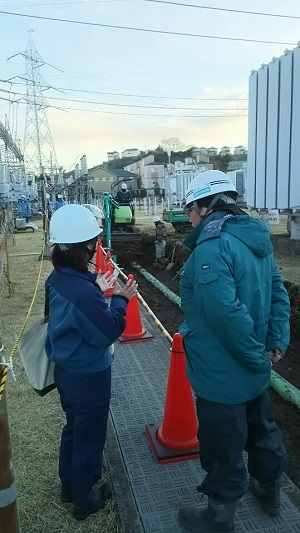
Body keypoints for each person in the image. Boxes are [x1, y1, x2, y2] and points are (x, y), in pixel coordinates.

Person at [177, 170, 290, 533]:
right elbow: (276, 292)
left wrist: (256, 354)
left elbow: (223, 313)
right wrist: (275, 342)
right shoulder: (256, 238)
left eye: (190, 210)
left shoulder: (212, 246)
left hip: (223, 369)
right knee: (261, 429)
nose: (189, 218)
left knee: (223, 443)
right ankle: (269, 491)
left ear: (203, 206)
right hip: (255, 364)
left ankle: (218, 516)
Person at [45, 204, 137, 521]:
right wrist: (121, 300)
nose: (96, 247)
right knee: (90, 435)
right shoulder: (82, 292)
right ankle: (84, 499)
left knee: (74, 429)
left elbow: (70, 315)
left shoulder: (58, 279)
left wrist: (96, 287)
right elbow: (107, 332)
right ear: (83, 247)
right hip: (89, 376)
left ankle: (70, 485)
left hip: (67, 372)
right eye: (93, 242)